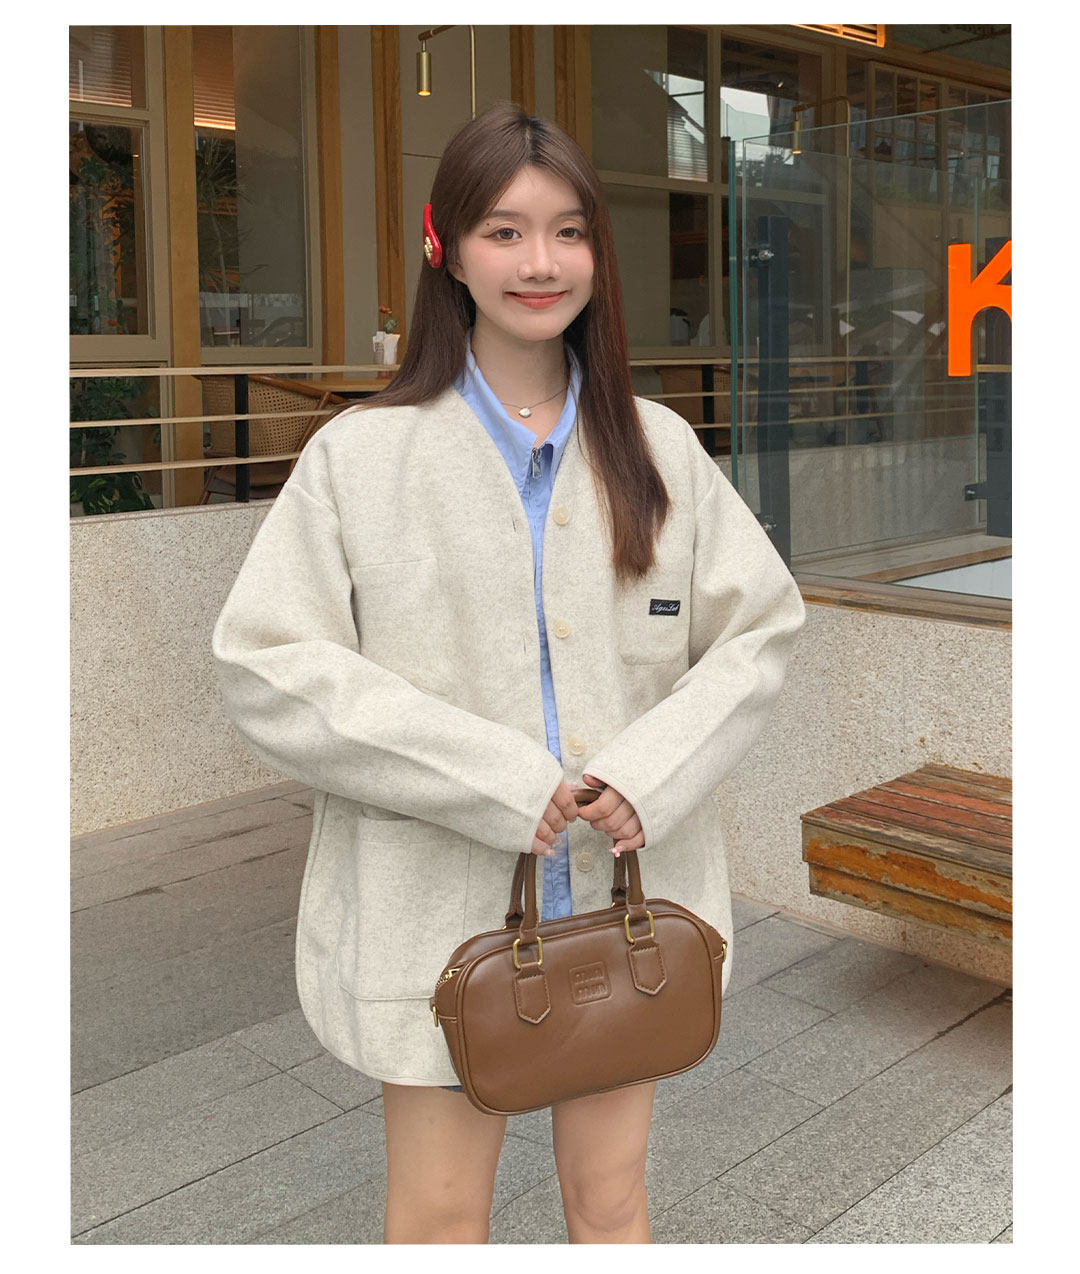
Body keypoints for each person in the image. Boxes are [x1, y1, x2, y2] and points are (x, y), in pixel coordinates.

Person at [212, 101, 804, 1245]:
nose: (541, 262)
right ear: (445, 246)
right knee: (440, 1218)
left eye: (569, 231)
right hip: (436, 917)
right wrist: (491, 776)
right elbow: (266, 662)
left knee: (611, 1202)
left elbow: (761, 628)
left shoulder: (659, 446)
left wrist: (650, 768)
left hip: (630, 905)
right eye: (505, 231)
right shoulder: (361, 456)